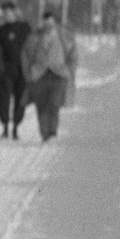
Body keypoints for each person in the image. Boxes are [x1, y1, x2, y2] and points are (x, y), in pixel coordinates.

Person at [24, 8, 75, 140]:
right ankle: (44, 133)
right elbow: (25, 54)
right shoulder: (34, 37)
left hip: (58, 74)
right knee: (41, 106)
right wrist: (28, 72)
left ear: (55, 23)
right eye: (45, 23)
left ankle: (52, 131)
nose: (48, 26)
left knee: (54, 104)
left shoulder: (64, 36)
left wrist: (69, 69)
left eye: (51, 23)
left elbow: (73, 55)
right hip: (39, 75)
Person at [0, 1, 31, 138]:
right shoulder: (1, 30)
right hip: (6, 70)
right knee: (4, 99)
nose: (7, 15)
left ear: (15, 12)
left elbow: (30, 48)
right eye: (5, 13)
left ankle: (15, 127)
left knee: (20, 99)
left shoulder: (24, 28)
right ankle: (5, 127)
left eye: (9, 12)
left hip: (21, 69)